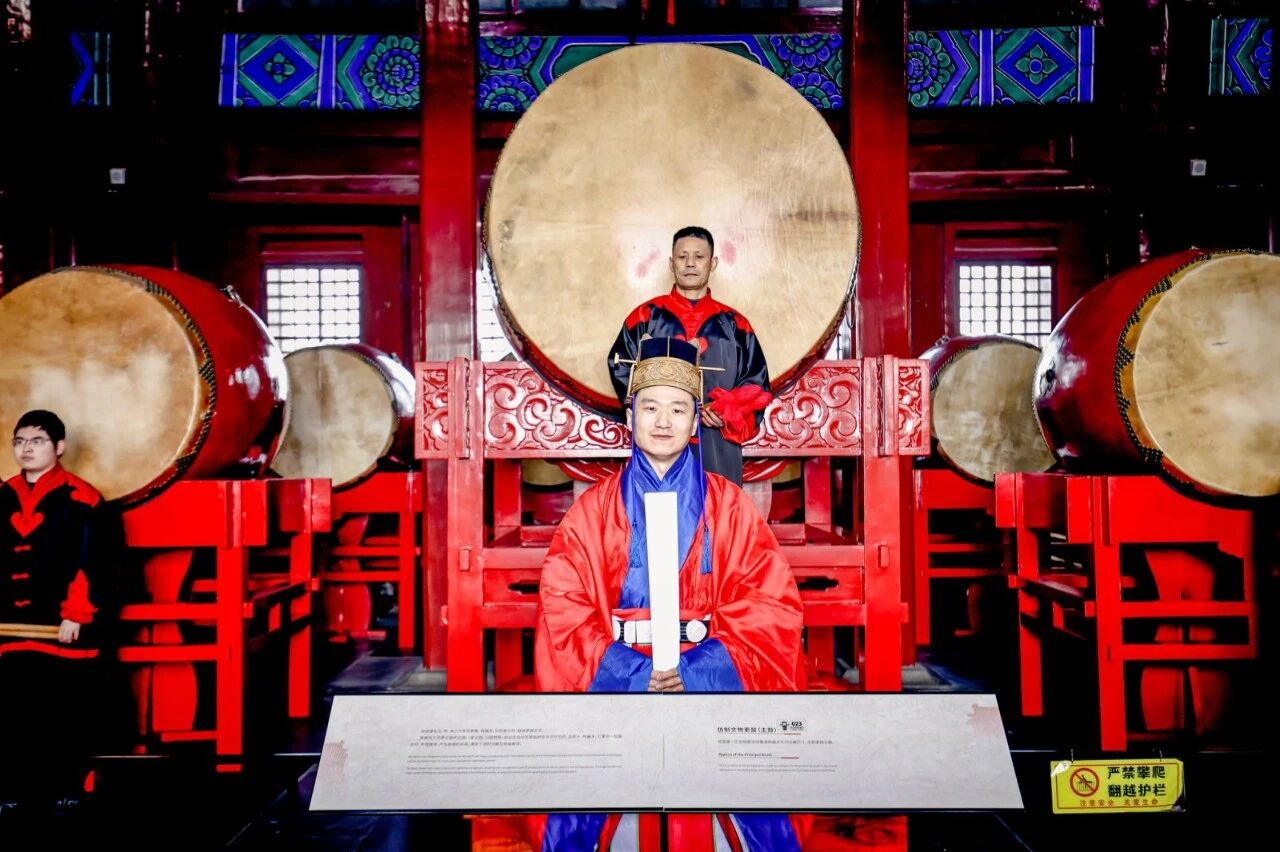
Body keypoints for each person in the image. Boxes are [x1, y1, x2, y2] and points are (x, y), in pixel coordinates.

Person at [533, 338, 807, 851]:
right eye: (650, 408)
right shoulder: (593, 509)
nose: (663, 421)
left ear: (696, 419)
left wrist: (699, 668)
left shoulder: (729, 505)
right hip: (620, 669)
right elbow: (563, 604)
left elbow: (769, 602)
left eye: (678, 409)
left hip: (706, 666)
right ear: (630, 417)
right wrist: (629, 671)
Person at [0, 410, 118, 804]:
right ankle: (13, 790)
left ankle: (67, 788)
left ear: (59, 447)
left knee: (63, 711)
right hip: (10, 625)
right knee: (12, 710)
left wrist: (76, 614)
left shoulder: (83, 498)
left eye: (37, 441)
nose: (26, 449)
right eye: (19, 442)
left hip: (61, 625)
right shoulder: (3, 496)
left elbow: (92, 561)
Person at [608, 226, 772, 485]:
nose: (690, 264)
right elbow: (621, 366)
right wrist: (651, 406)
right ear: (671, 263)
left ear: (713, 263)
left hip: (716, 440)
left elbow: (756, 381)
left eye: (699, 256)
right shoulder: (645, 316)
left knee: (718, 504)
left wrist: (725, 410)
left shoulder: (735, 324)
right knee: (658, 503)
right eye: (682, 257)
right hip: (660, 435)